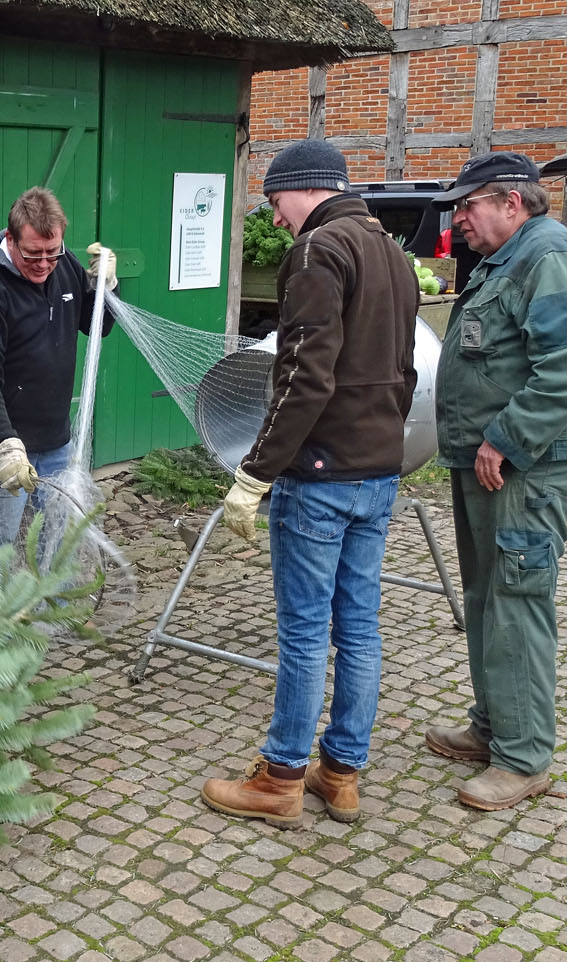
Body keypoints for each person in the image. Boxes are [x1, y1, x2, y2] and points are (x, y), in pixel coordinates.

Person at [199, 140, 418, 829]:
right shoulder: (391, 252)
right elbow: (407, 371)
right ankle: (343, 773)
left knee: (302, 631)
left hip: (319, 476)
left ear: (304, 190)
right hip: (379, 470)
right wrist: (381, 442)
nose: (277, 221)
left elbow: (303, 377)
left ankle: (282, 776)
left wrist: (254, 473)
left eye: (274, 203)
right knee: (358, 628)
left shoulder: (321, 251)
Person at [425, 152, 567, 811]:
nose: (459, 218)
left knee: (517, 599)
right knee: (488, 597)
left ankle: (524, 757)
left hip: (529, 466)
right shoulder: (512, 257)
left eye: (469, 206)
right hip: (492, 464)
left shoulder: (548, 255)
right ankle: (494, 725)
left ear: (512, 202)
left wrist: (507, 436)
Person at [0, 186, 117, 547]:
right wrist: (5, 443)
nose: (43, 265)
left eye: (51, 253)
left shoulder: (65, 265)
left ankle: (52, 605)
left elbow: (97, 325)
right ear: (10, 239)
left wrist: (107, 288)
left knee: (57, 538)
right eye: (33, 254)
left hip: (54, 440)